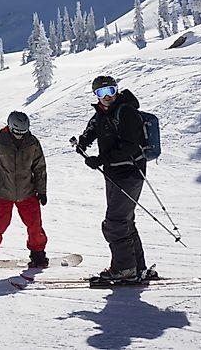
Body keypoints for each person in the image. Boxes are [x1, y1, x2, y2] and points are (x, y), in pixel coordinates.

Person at [75, 75, 149, 282]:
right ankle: (137, 267)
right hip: (114, 173)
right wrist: (83, 142)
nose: (107, 96)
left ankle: (125, 269)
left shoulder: (126, 112)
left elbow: (130, 146)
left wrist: (100, 159)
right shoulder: (102, 113)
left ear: (117, 91)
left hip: (130, 172)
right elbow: (93, 128)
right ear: (96, 96)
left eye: (110, 91)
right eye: (101, 93)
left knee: (115, 223)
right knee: (125, 221)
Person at [0, 111, 48, 269]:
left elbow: (40, 168)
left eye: (23, 132)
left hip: (27, 192)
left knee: (35, 225)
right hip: (3, 193)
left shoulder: (32, 142)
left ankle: (38, 254)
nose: (20, 136)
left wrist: (42, 191)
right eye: (17, 132)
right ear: (10, 127)